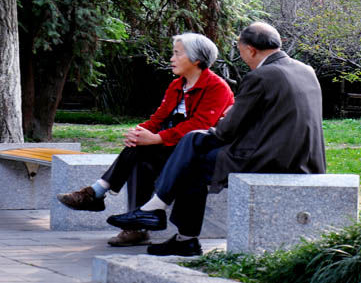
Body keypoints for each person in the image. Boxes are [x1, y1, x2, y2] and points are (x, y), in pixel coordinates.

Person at [107, 21, 326, 257]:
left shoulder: (262, 76)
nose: (243, 58)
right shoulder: (306, 70)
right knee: (192, 148)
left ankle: (172, 224)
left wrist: (213, 127)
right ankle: (165, 219)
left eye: (241, 52)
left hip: (271, 159)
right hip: (305, 159)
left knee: (192, 153)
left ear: (251, 49)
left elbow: (226, 131)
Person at [57, 32, 234, 246]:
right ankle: (128, 220)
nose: (172, 58)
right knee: (139, 154)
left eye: (177, 54)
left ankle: (101, 196)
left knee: (143, 151)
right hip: (172, 147)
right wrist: (139, 133)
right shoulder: (176, 86)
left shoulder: (217, 87)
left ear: (196, 60)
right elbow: (157, 118)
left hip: (196, 153)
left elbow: (199, 126)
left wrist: (156, 139)